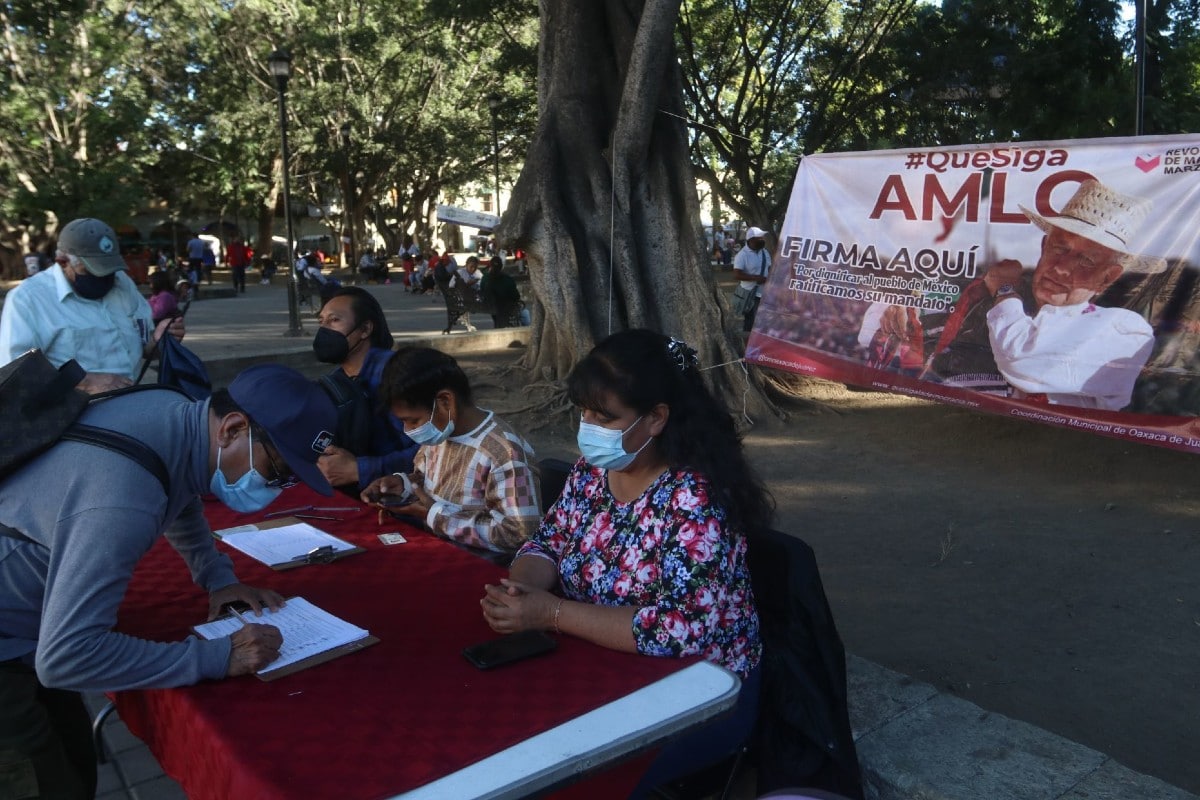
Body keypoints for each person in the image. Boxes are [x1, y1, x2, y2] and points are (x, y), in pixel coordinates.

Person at [0, 363, 338, 800]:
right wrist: (216, 658)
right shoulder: (120, 500)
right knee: (44, 783)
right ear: (232, 428)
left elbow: (180, 490)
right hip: (13, 642)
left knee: (74, 759)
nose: (279, 488)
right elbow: (67, 656)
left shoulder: (173, 409)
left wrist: (216, 576)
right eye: (278, 472)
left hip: (27, 629)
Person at [479, 329, 771, 797]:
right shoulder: (594, 471)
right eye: (585, 412)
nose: (588, 426)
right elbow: (549, 542)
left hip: (699, 694)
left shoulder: (694, 501)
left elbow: (677, 630)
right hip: (599, 662)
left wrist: (550, 613)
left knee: (559, 777)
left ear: (656, 418)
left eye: (605, 416)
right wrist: (521, 592)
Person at [921, 179, 1162, 411]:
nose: (1061, 267)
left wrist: (1005, 289)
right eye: (1059, 248)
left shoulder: (1126, 329)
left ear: (1108, 277)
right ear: (1043, 247)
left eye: (1087, 260)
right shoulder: (989, 304)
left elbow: (1021, 358)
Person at [361, 346, 542, 557]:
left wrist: (438, 517)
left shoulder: (504, 453)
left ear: (445, 401)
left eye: (413, 420)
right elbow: (429, 484)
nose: (408, 430)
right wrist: (404, 486)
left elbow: (519, 534)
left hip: (481, 569)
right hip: (434, 551)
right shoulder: (440, 432)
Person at [0, 217, 186, 394]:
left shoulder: (122, 283)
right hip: (70, 415)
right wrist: (83, 382)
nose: (105, 278)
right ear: (63, 262)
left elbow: (144, 347)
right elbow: (13, 375)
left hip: (130, 399)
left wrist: (159, 342)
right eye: (93, 270)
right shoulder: (28, 299)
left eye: (109, 269)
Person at [314, 287, 417, 493]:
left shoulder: (394, 374)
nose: (324, 330)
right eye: (321, 321)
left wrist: (359, 469)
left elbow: (436, 450)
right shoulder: (338, 379)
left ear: (365, 329)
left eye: (334, 320)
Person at [733, 226, 772, 332]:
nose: (762, 240)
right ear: (751, 240)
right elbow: (737, 275)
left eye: (762, 237)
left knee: (764, 321)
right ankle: (748, 345)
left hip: (764, 293)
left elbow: (769, 268)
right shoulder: (742, 255)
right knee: (751, 322)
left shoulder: (764, 252)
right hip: (750, 294)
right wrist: (755, 278)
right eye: (759, 238)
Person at [479, 255, 523, 328]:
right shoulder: (508, 280)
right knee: (525, 314)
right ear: (501, 266)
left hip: (490, 306)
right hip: (506, 307)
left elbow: (482, 290)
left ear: (490, 266)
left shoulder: (485, 278)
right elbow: (516, 296)